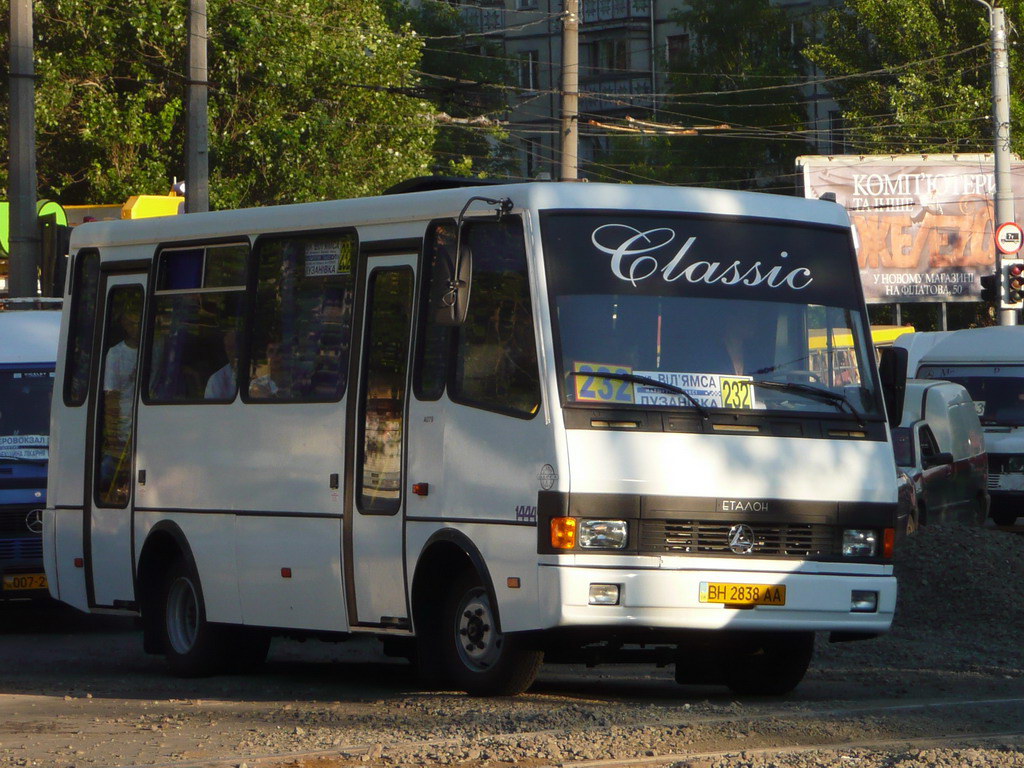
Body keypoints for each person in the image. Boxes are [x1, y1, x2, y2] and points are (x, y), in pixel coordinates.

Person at [205, 329, 238, 399]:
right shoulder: (216, 380)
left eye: (235, 347)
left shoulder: (255, 373)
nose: (232, 352)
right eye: (229, 348)